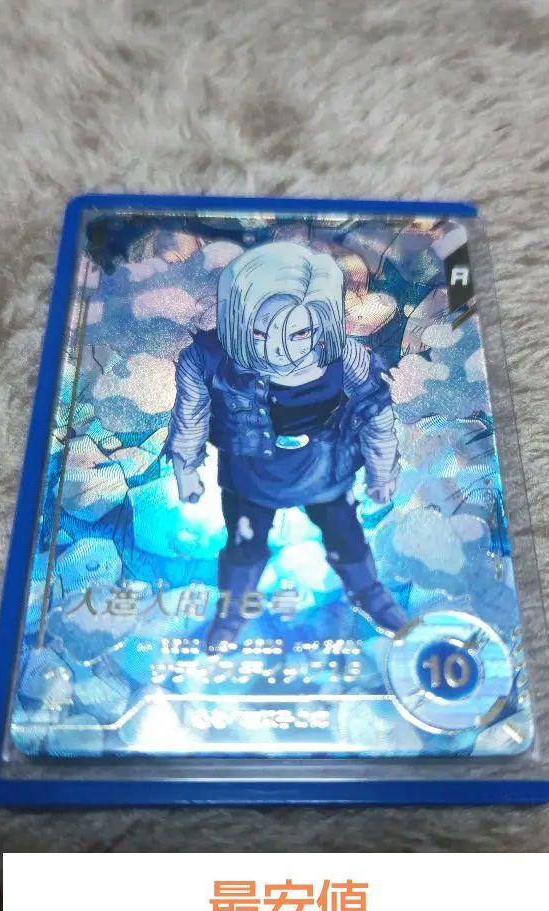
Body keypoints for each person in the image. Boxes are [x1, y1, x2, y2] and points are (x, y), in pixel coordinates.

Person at [164, 240, 406, 650]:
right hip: (249, 473)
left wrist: (382, 471)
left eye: (299, 332)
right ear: (239, 320)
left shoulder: (344, 355)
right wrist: (185, 468)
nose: (280, 348)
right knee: (243, 546)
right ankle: (232, 613)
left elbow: (376, 410)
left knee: (346, 536)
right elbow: (191, 414)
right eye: (261, 332)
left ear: (320, 323)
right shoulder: (206, 358)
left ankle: (371, 596)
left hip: (325, 467)